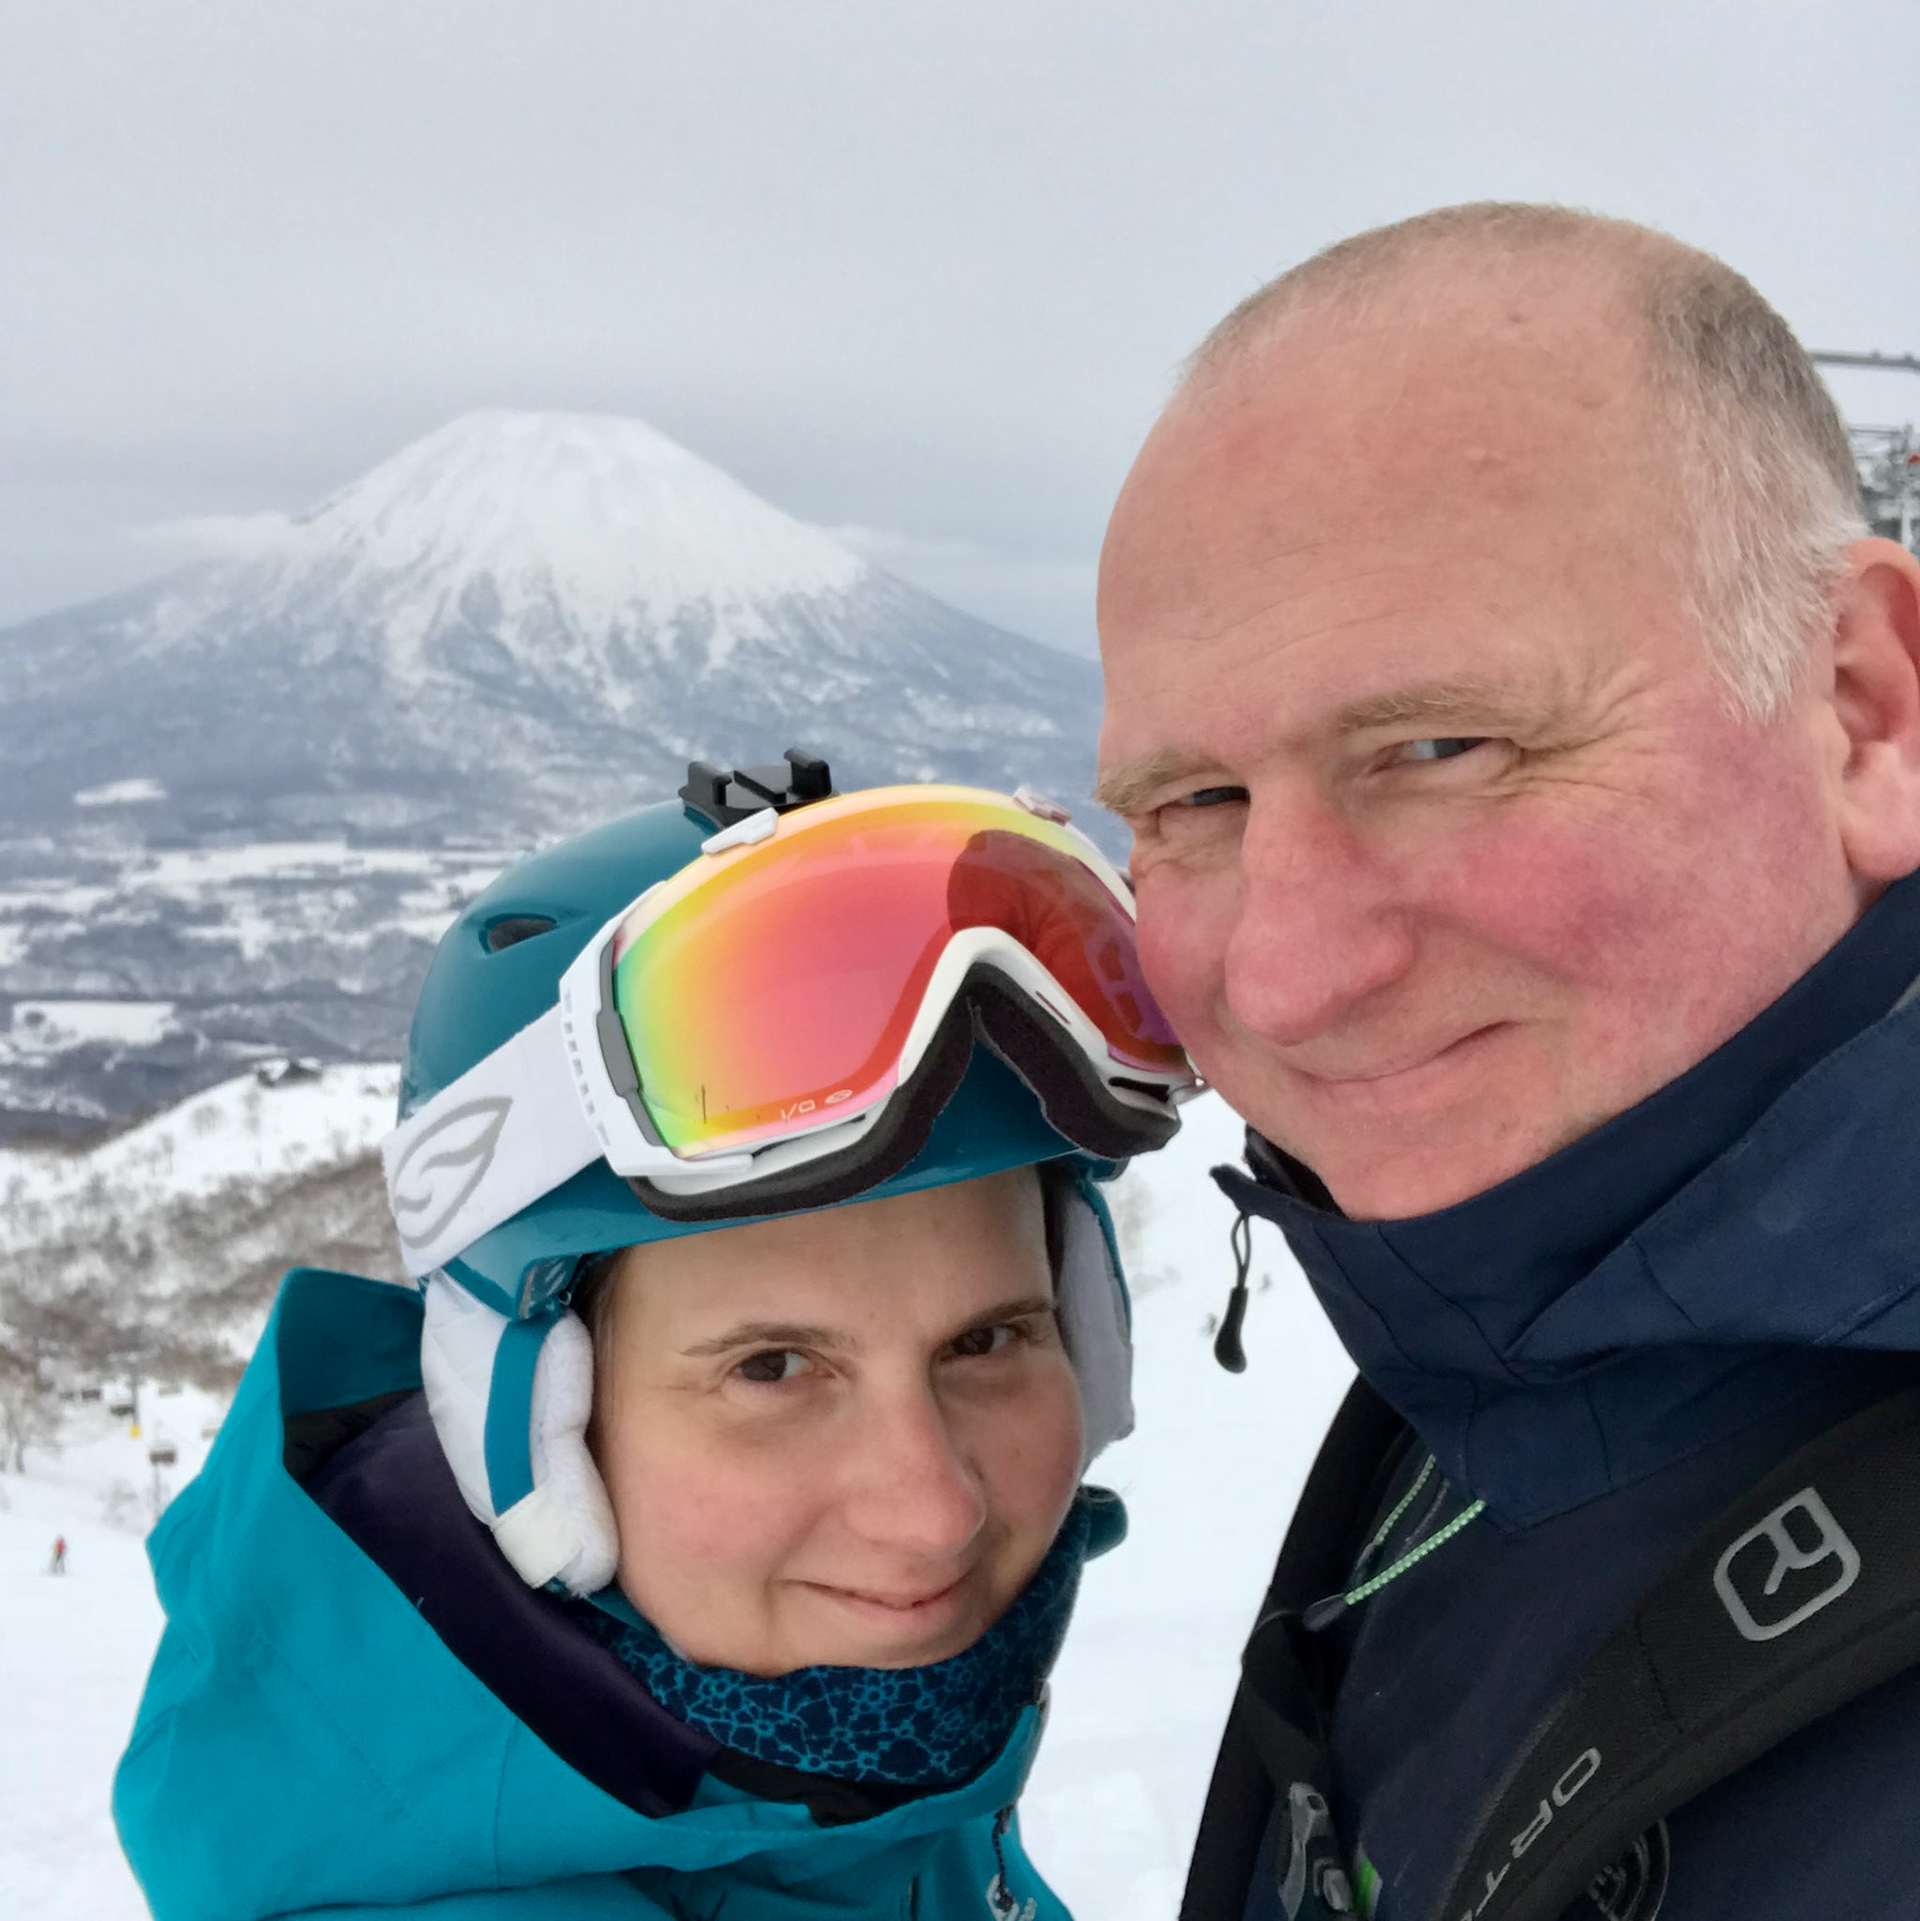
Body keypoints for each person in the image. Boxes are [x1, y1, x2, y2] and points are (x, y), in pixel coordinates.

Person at [1095, 204, 1920, 1920]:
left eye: (1441, 745)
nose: (1288, 975)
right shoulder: (1522, 1316)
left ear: (1867, 708)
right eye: (1195, 802)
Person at [113, 760, 1194, 1921]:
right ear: (528, 1432)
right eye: (772, 1367)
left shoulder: (847, 1788)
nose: (936, 1509)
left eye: (988, 1339)